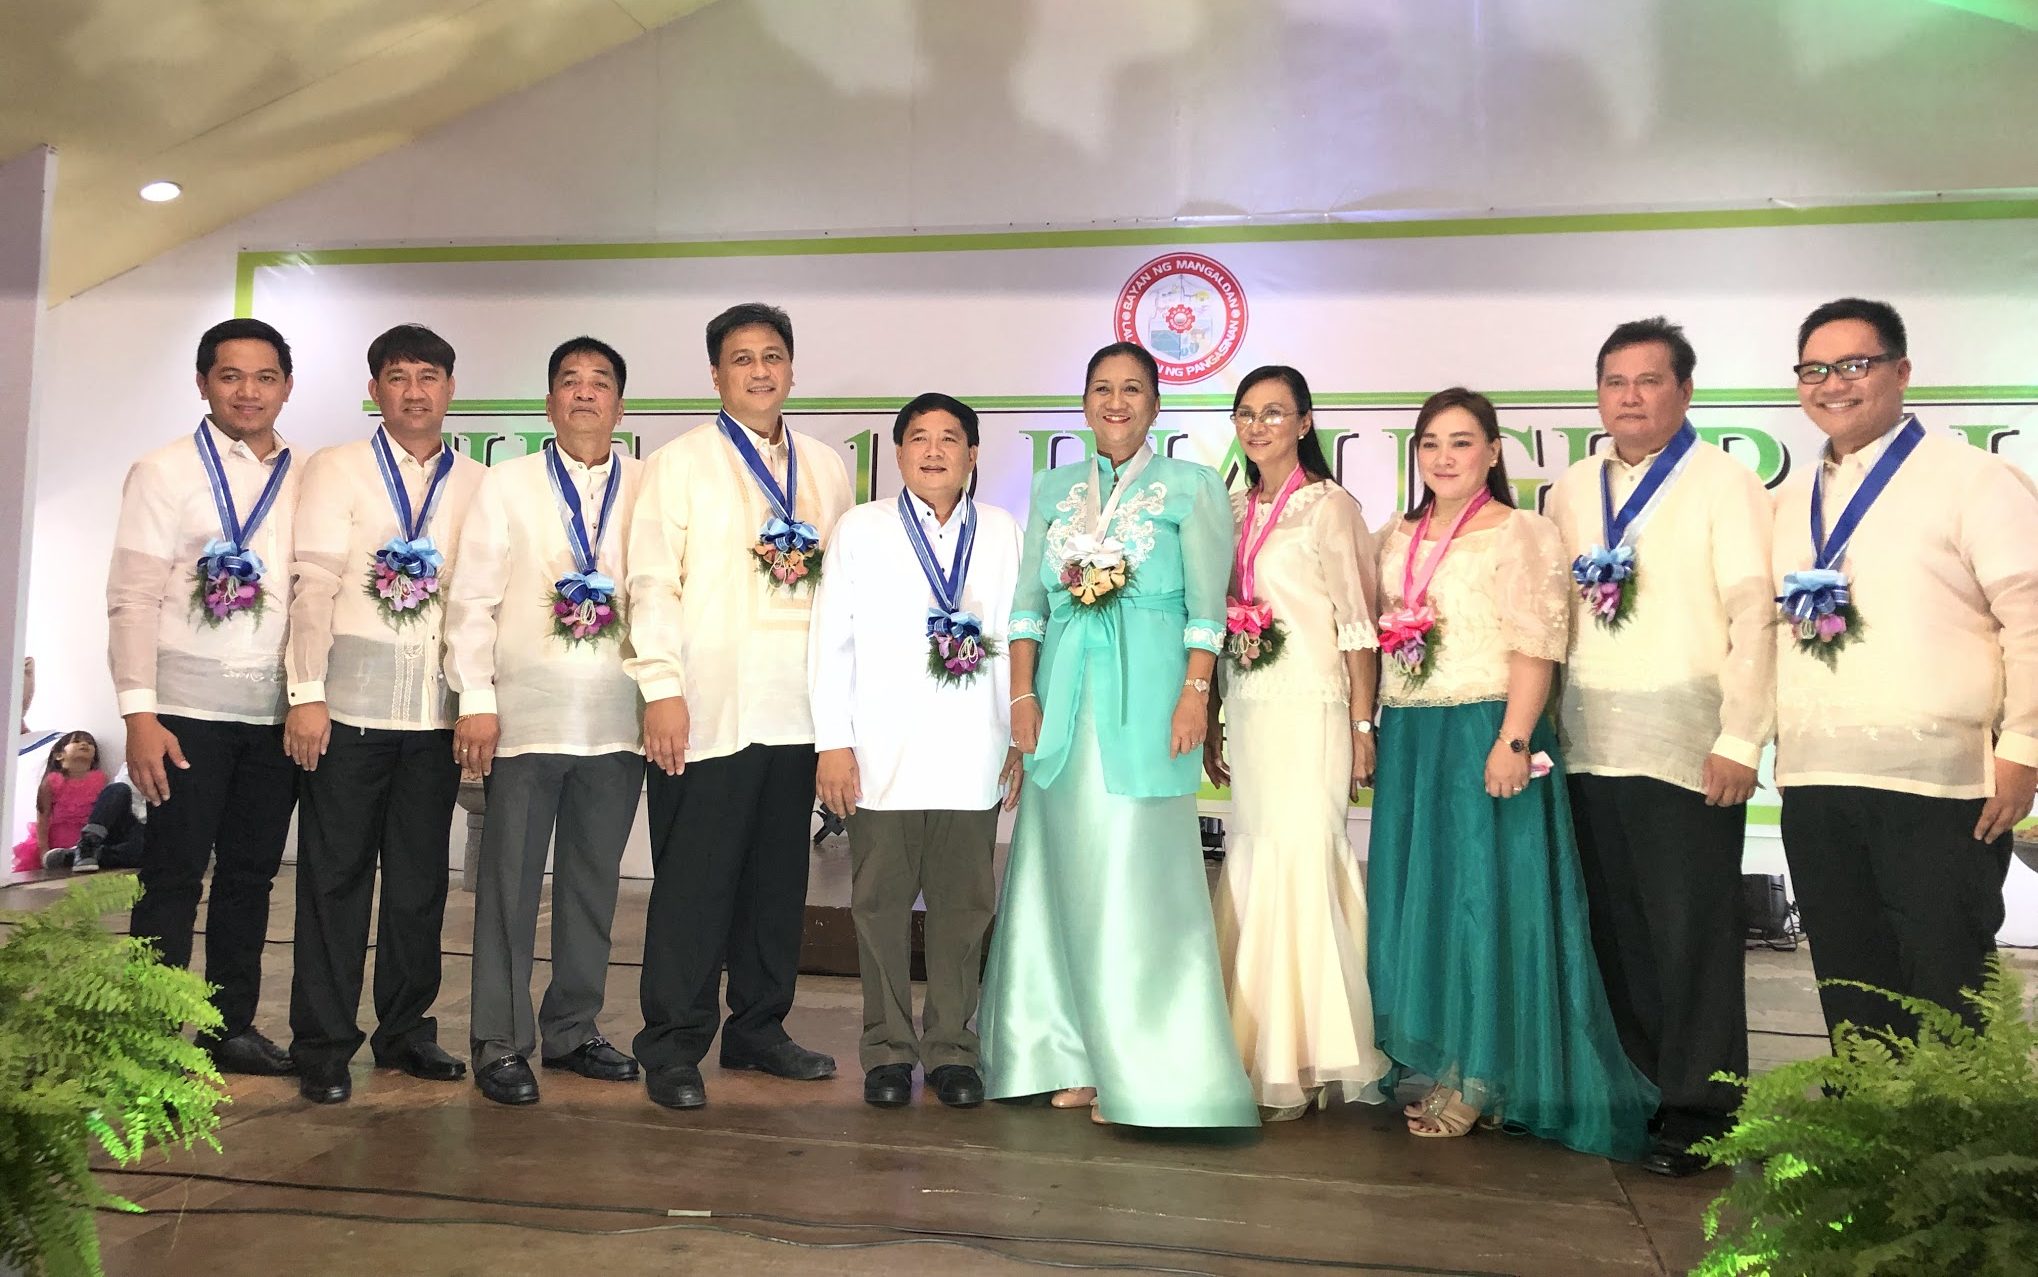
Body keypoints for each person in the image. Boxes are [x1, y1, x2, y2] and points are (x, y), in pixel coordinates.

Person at [1368, 387, 1656, 1158]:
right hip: (1414, 736)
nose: (1444, 457)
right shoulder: (1396, 533)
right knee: (1432, 900)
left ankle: (1484, 1077)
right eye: (1431, 442)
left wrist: (1515, 739)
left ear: (1493, 452)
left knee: (1485, 901)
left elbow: (1537, 645)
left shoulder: (1521, 530)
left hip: (1488, 729)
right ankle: (1455, 1064)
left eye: (1462, 441)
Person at [978, 341, 1257, 1129]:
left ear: (1156, 404)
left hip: (1151, 704)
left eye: (1133, 389)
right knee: (1062, 875)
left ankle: (1144, 1065)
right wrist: (1023, 695)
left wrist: (1196, 695)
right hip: (1063, 708)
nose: (1116, 402)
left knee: (1137, 881)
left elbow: (1207, 608)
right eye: (1102, 388)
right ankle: (1066, 1053)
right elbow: (1028, 605)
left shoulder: (1192, 487)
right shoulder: (1054, 487)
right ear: (1084, 402)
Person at [1773, 298, 2038, 1043]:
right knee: (1850, 985)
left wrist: (2024, 746)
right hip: (1817, 778)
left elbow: (2030, 617)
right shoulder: (1789, 499)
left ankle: (1956, 1125)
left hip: (1939, 784)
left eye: (1854, 365)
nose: (1833, 384)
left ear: (1902, 371)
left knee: (1948, 987)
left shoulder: (1974, 479)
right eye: (1814, 370)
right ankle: (1864, 1119)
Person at [1546, 317, 1774, 1177]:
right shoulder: (1573, 489)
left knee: (1692, 935)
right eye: (1615, 382)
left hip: (1688, 746)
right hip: (1588, 744)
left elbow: (1756, 616)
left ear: (1685, 390)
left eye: (1648, 380)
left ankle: (1705, 1108)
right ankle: (1643, 1087)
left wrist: (1741, 735)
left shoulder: (1725, 482)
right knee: (1617, 932)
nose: (1630, 397)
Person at [626, 303, 853, 1111]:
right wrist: (662, 689)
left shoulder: (825, 467)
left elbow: (842, 596)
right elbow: (651, 582)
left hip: (797, 710)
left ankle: (759, 1027)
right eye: (742, 358)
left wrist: (841, 717)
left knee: (775, 884)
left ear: (792, 368)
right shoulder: (679, 462)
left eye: (772, 356)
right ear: (715, 374)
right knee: (694, 885)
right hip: (707, 710)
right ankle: (672, 1042)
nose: (760, 371)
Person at [282, 324, 485, 1104]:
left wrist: (475, 699)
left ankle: (405, 1032)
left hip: (433, 719)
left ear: (450, 389)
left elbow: (478, 602)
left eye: (428, 376)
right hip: (347, 715)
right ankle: (323, 1043)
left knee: (418, 886)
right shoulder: (337, 468)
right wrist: (306, 692)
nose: (414, 391)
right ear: (375, 391)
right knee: (333, 882)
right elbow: (313, 587)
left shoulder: (476, 482)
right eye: (397, 377)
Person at [807, 393, 1025, 1110]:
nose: (934, 451)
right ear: (898, 454)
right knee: (879, 909)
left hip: (973, 753)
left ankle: (954, 1049)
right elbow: (831, 641)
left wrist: (1017, 735)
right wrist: (833, 742)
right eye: (919, 438)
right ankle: (888, 1051)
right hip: (881, 754)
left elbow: (1021, 642)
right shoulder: (861, 529)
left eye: (950, 438)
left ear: (973, 455)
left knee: (965, 910)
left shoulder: (1002, 531)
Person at [445, 336, 647, 1106]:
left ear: (620, 405)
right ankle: (499, 1039)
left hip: (617, 720)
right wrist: (476, 699)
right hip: (524, 721)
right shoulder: (507, 484)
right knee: (509, 887)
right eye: (570, 380)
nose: (585, 392)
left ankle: (573, 1027)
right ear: (550, 401)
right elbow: (472, 600)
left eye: (600, 382)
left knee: (593, 886)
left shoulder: (649, 487)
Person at [108, 317, 302, 1077]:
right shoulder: (162, 471)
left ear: (286, 386)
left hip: (274, 715)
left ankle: (230, 1028)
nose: (248, 391)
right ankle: (149, 1038)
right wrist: (139, 713)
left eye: (264, 377)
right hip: (185, 715)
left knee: (250, 878)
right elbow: (131, 597)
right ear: (202, 383)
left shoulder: (303, 475)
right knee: (172, 878)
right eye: (230, 376)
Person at [1202, 366, 1389, 1122]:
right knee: (1253, 856)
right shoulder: (1231, 506)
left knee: (1304, 858)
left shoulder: (1331, 507)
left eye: (1275, 412)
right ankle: (1251, 1043)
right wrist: (1213, 711)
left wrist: (1363, 724)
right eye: (1246, 413)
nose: (1258, 426)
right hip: (1250, 709)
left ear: (1306, 422)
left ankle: (1306, 1052)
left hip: (1313, 708)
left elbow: (1357, 625)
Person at [15, 731, 106, 873]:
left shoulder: (100, 780)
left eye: (89, 743)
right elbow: (43, 818)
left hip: (85, 846)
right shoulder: (52, 781)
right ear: (59, 755)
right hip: (56, 845)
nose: (84, 744)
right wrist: (44, 851)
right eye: (76, 741)